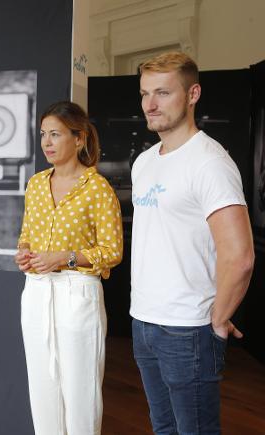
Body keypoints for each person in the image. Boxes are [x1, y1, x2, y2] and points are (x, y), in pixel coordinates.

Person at [130, 51, 254, 434]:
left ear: (193, 93)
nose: (151, 104)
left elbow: (240, 256)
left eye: (164, 93)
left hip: (187, 329)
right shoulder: (145, 161)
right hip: (144, 321)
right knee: (163, 427)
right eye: (145, 93)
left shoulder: (209, 162)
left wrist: (216, 320)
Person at [15, 101, 123, 435]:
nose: (47, 142)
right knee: (42, 390)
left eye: (56, 134)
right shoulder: (35, 184)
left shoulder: (98, 190)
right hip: (35, 291)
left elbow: (112, 252)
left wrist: (64, 258)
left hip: (78, 295)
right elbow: (27, 236)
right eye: (43, 134)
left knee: (81, 394)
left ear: (78, 139)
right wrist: (24, 254)